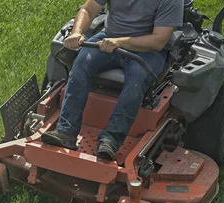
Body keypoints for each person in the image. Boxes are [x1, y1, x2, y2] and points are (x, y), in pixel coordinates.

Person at [41, 0, 184, 160]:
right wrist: (76, 32)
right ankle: (66, 131)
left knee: (137, 80)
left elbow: (158, 40)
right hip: (109, 38)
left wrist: (120, 42)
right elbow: (88, 10)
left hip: (147, 50)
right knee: (81, 62)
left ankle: (110, 140)